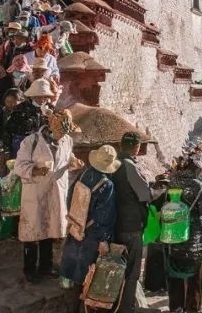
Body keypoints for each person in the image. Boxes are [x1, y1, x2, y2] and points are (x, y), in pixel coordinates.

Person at [14, 108, 82, 283]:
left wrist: (73, 163)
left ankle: (46, 266)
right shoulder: (31, 141)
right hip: (35, 192)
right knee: (32, 231)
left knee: (49, 229)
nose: (62, 135)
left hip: (55, 192)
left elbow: (67, 160)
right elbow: (19, 166)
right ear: (51, 126)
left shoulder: (66, 140)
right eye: (60, 131)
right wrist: (35, 170)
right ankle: (29, 269)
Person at [59, 145, 119, 296]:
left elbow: (70, 197)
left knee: (71, 267)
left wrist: (75, 218)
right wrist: (103, 239)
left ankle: (68, 303)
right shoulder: (107, 185)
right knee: (86, 275)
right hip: (92, 234)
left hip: (76, 227)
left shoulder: (84, 174)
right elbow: (104, 214)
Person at [109, 132, 152, 313]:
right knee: (131, 272)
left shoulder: (111, 163)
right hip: (131, 225)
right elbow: (144, 194)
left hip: (113, 224)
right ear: (136, 147)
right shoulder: (128, 165)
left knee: (115, 269)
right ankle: (126, 309)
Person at [165, 155, 202, 313]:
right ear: (196, 169)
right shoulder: (197, 184)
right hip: (194, 237)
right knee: (194, 276)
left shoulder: (172, 181)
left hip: (174, 233)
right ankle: (193, 308)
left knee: (176, 273)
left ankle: (176, 307)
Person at [3, 78, 54, 157]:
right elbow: (9, 129)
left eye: (45, 97)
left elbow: (55, 128)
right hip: (22, 146)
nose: (42, 100)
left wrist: (51, 118)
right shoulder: (20, 108)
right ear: (32, 96)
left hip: (44, 146)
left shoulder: (51, 108)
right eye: (39, 97)